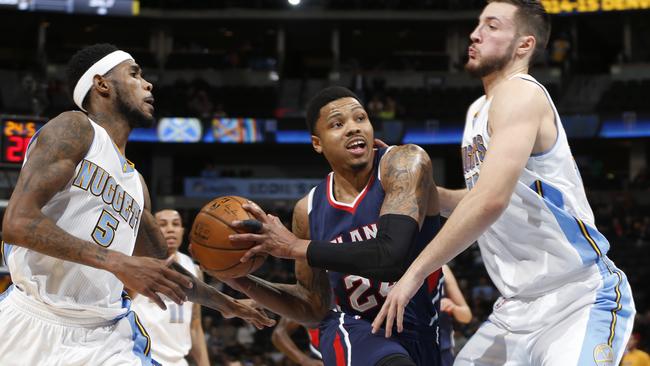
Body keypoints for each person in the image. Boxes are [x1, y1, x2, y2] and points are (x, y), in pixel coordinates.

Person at [371, 1, 636, 365]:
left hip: (577, 297)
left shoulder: (521, 93)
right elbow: (485, 195)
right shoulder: (477, 110)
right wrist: (422, 191)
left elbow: (490, 201)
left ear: (524, 45)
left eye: (492, 26)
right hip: (515, 309)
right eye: (478, 24)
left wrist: (415, 273)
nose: (475, 33)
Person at [0, 43, 273, 365]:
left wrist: (228, 304)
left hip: (104, 334)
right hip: (32, 320)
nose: (148, 83)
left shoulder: (136, 184)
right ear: (102, 84)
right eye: (134, 73)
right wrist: (116, 261)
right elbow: (17, 223)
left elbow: (165, 268)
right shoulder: (75, 128)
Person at [207, 86, 443, 366]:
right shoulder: (307, 210)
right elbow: (313, 308)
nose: (353, 128)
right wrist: (241, 281)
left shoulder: (404, 163)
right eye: (337, 124)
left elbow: (393, 256)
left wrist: (296, 247)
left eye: (360, 118)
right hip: (356, 329)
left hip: (425, 332)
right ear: (317, 143)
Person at [130, 209, 210, 366]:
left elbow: (195, 325)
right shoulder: (139, 264)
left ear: (182, 231)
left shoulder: (193, 269)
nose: (170, 229)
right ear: (153, 231)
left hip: (179, 360)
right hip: (142, 357)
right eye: (162, 224)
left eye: (175, 224)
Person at [439, 265, 472, 366]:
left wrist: (453, 307)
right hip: (405, 347)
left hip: (441, 350)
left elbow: (467, 316)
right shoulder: (396, 265)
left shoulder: (443, 268)